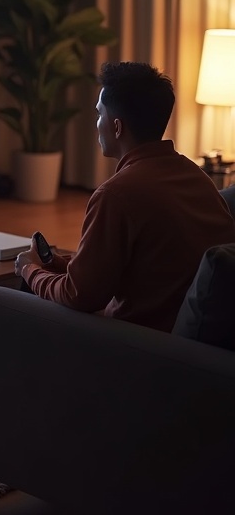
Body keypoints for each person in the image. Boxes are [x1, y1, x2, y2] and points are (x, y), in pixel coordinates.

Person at [14, 61, 235, 332]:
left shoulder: (116, 195)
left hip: (135, 345)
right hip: (184, 335)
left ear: (117, 127)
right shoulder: (196, 177)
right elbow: (151, 263)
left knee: (11, 308)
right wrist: (60, 265)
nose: (96, 124)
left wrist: (30, 269)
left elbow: (79, 296)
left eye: (99, 114)